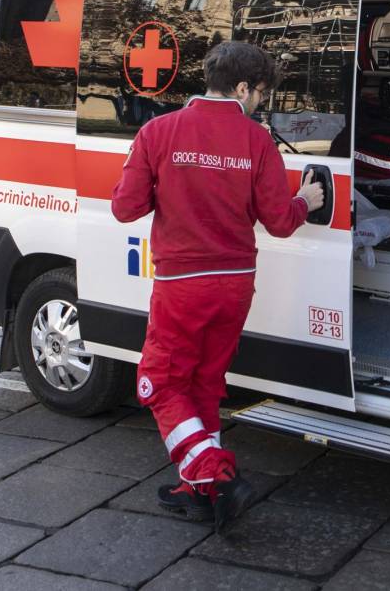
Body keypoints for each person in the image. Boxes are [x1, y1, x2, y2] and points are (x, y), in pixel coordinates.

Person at [111, 41, 325, 530]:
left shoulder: (158, 131)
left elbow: (125, 208)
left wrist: (166, 183)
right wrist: (305, 201)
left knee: (160, 383)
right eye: (261, 94)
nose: (260, 104)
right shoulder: (257, 141)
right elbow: (279, 222)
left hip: (182, 283)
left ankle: (213, 472)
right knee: (204, 383)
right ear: (243, 87)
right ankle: (198, 490)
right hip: (235, 284)